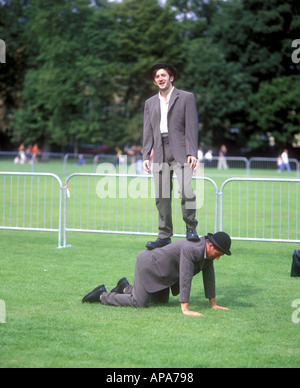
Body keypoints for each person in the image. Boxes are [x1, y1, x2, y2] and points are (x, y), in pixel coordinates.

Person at [82, 232, 232, 317]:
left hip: (163, 273)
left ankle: (125, 288)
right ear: (210, 245)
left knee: (161, 302)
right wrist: (185, 309)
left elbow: (209, 277)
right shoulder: (192, 249)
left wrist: (213, 304)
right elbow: (185, 278)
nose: (218, 257)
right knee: (139, 303)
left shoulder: (208, 253)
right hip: (149, 264)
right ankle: (102, 296)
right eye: (218, 254)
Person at [142, 63, 199, 250]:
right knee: (161, 196)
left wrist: (192, 152)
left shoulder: (186, 97)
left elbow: (191, 126)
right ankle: (164, 235)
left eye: (163, 75)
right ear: (154, 81)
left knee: (186, 191)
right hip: (159, 151)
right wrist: (145, 154)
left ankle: (191, 227)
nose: (160, 78)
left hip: (181, 150)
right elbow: (148, 130)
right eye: (157, 76)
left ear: (171, 78)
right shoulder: (150, 103)